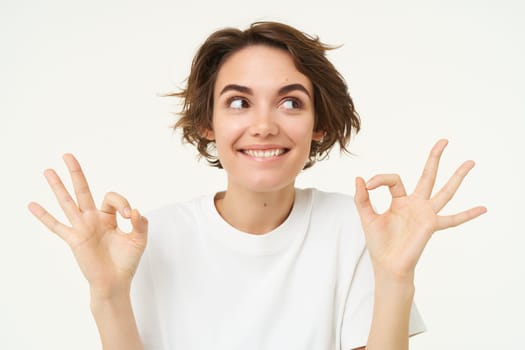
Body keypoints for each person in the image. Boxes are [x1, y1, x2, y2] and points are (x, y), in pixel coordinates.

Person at [28, 22, 486, 350]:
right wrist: (107, 294)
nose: (263, 125)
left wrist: (394, 279)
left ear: (319, 124)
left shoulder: (357, 229)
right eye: (239, 102)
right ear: (208, 122)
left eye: (290, 101)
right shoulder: (148, 239)